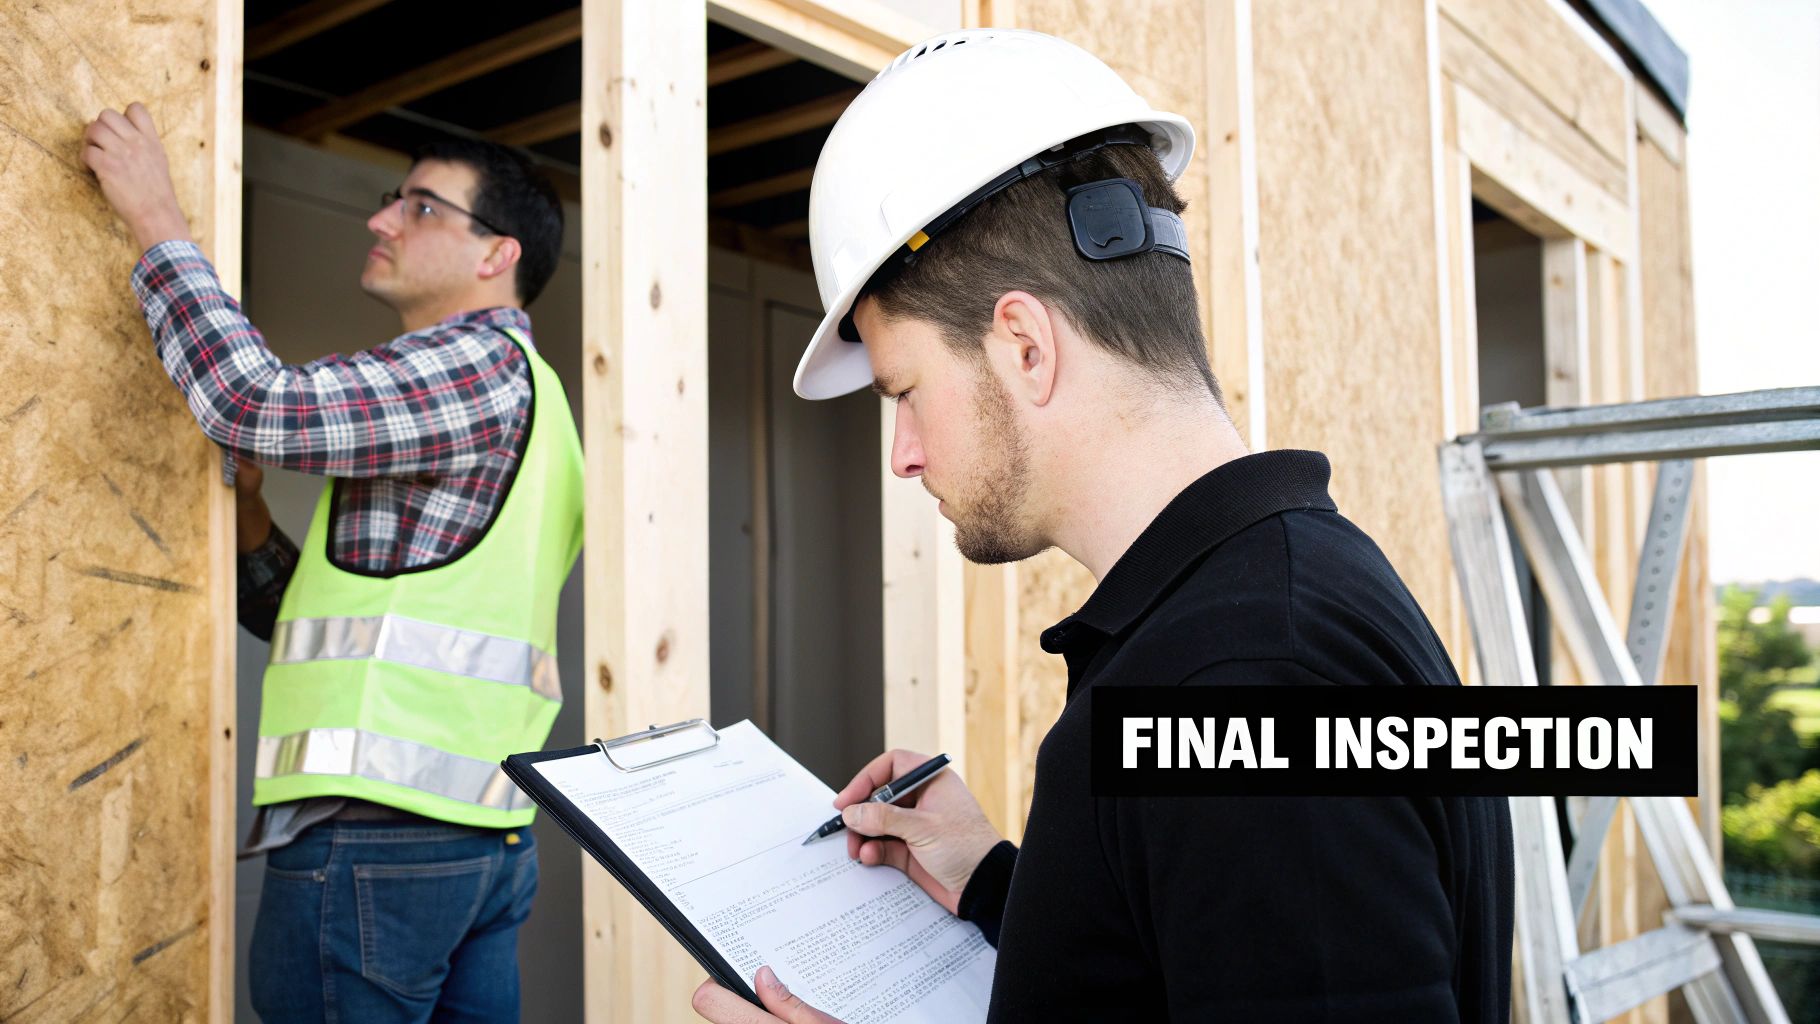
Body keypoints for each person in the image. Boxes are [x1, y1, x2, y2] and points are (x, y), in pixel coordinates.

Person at [690, 28, 1514, 1024]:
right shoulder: (1275, 599)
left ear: (1025, 346)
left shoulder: (1245, 677)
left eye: (904, 390)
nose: (901, 453)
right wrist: (1000, 883)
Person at [83, 106, 582, 1023]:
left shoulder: (469, 364)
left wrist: (157, 223)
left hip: (381, 841)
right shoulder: (535, 397)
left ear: (495, 256)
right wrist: (248, 517)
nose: (383, 219)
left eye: (422, 207)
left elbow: (251, 402)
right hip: (480, 839)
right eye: (393, 199)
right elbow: (330, 629)